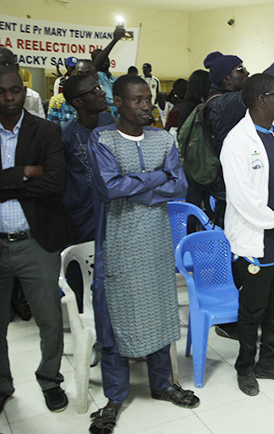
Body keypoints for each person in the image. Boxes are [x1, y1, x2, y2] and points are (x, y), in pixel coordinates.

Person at [86, 75, 196, 433]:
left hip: (156, 243)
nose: (146, 105)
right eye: (137, 100)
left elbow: (179, 184)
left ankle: (162, 384)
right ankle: (115, 395)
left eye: (148, 98)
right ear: (118, 102)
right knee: (116, 316)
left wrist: (137, 183)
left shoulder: (163, 138)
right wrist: (154, 178)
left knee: (160, 311)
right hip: (118, 243)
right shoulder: (102, 139)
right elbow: (109, 186)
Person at [0, 66, 79, 414]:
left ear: (23, 90)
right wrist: (23, 174)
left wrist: (4, 184)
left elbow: (55, 184)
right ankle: (2, 386)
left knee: (49, 320)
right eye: (2, 92)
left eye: (15, 90)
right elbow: (38, 182)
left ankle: (50, 381)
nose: (9, 98)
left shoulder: (45, 131)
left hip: (36, 242)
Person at [220, 73, 274, 396]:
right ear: (260, 100)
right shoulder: (238, 142)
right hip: (258, 238)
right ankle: (245, 367)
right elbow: (244, 201)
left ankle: (268, 362)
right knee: (252, 309)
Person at [200, 29, 274, 231]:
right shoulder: (222, 105)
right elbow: (263, 87)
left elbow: (270, 86)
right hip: (234, 196)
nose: (247, 72)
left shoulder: (234, 102)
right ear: (227, 79)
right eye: (241, 69)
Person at [61, 74, 115, 311]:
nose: (102, 93)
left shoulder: (110, 123)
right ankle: (85, 319)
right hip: (80, 217)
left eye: (99, 87)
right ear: (78, 102)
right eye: (93, 91)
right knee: (81, 272)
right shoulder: (65, 135)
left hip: (111, 213)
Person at [91, 26, 127, 118]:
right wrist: (115, 40)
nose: (105, 59)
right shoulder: (93, 78)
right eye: (101, 57)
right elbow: (95, 65)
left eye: (106, 56)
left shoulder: (115, 80)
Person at [0, 48, 45, 119]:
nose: (9, 97)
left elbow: (41, 127)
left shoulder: (33, 97)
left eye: (5, 64)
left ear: (16, 67)